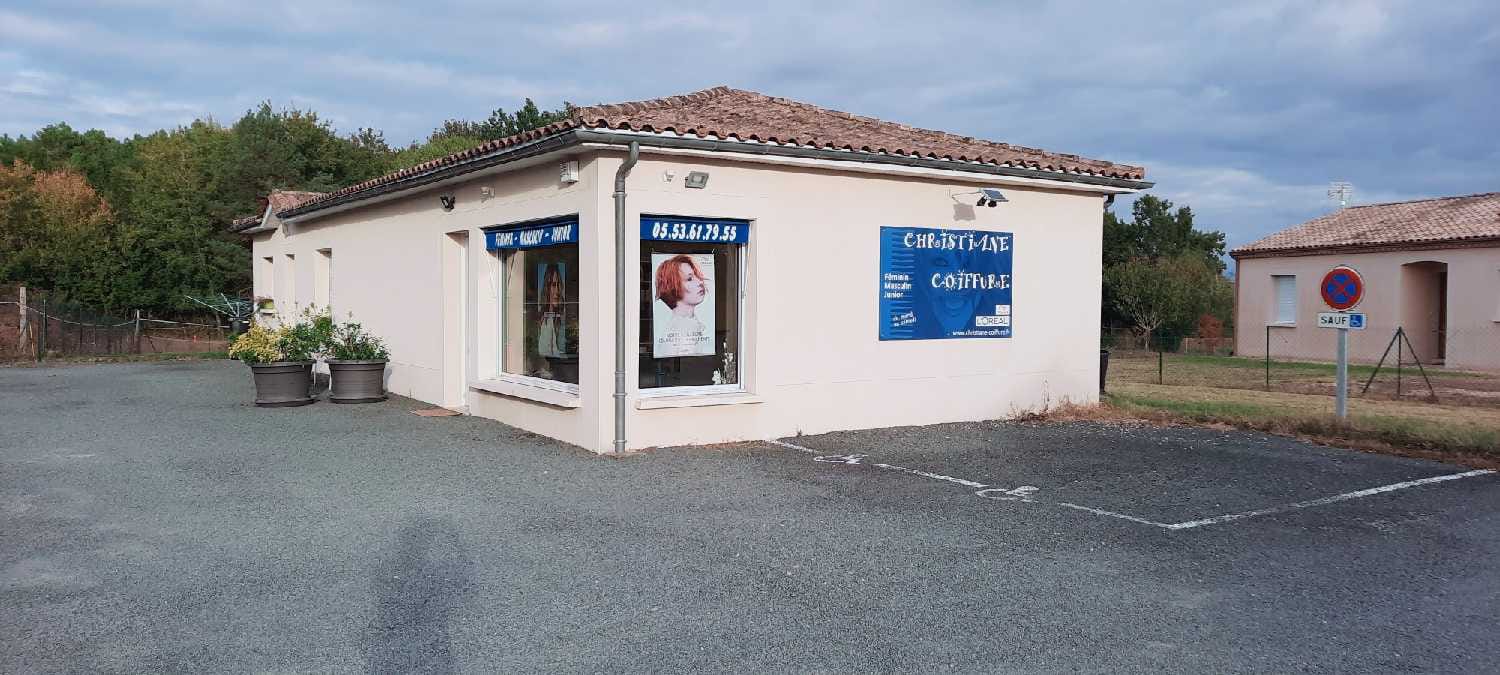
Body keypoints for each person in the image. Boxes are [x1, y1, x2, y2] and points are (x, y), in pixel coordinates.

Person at [654, 254, 710, 356]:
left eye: (697, 276)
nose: (700, 282)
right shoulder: (681, 327)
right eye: (689, 279)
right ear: (673, 287)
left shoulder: (690, 323)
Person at [536, 264, 566, 358]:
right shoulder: (541, 320)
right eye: (553, 285)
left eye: (558, 285)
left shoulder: (561, 318)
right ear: (547, 288)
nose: (557, 291)